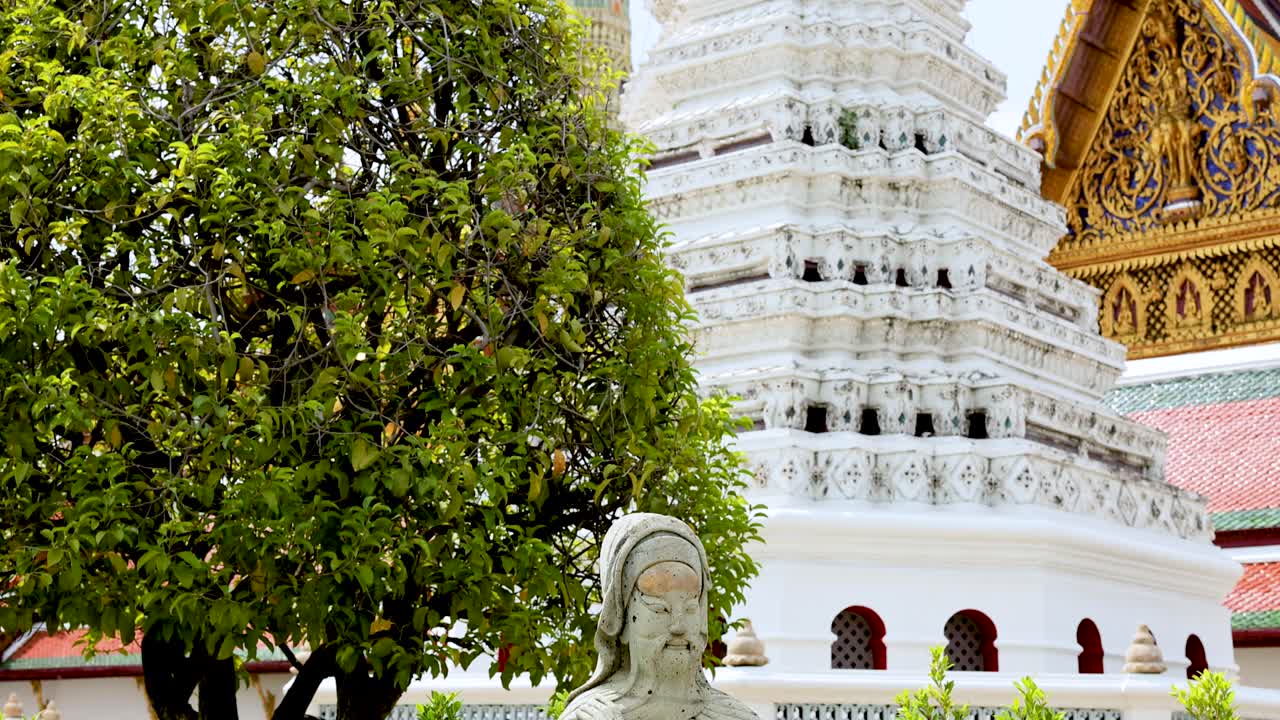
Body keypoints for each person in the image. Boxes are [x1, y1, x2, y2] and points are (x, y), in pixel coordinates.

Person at [561, 513, 758, 720]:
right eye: (659, 608)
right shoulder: (589, 716)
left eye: (691, 608)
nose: (678, 626)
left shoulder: (736, 716)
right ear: (621, 620)